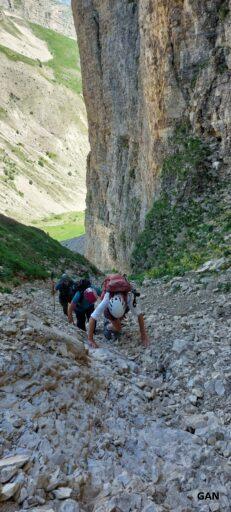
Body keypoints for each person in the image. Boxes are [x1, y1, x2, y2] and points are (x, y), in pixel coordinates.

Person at [88, 274, 149, 349]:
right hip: (109, 311)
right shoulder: (107, 298)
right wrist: (90, 339)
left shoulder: (128, 297)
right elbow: (92, 317)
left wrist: (143, 335)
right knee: (118, 329)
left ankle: (116, 321)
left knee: (118, 327)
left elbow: (139, 315)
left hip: (123, 306)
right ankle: (108, 326)